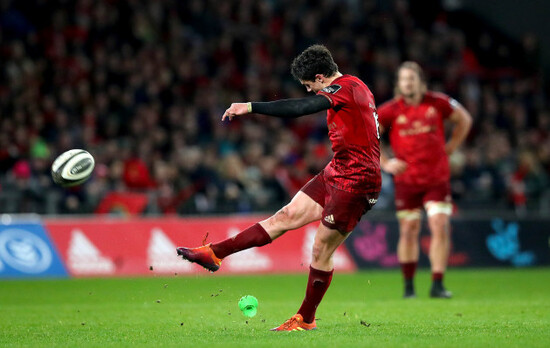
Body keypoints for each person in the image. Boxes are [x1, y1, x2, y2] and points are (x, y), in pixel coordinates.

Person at [176, 45, 381, 331]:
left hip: (358, 180)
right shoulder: (354, 86)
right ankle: (215, 253)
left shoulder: (345, 89)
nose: (311, 92)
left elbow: (301, 108)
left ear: (321, 78)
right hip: (338, 169)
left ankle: (305, 319)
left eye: (310, 85)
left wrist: (250, 106)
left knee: (321, 247)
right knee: (284, 217)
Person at [377, 61, 472, 299]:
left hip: (435, 178)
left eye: (412, 78)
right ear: (399, 84)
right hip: (407, 180)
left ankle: (437, 284)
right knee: (409, 229)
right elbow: (369, 134)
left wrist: (450, 148)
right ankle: (409, 287)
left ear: (421, 81)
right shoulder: (391, 109)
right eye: (404, 79)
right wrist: (386, 162)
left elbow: (465, 120)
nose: (408, 83)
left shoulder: (438, 103)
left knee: (439, 225)